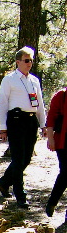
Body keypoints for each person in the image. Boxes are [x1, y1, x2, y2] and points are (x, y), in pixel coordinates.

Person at [0, 46, 47, 209]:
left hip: (31, 121)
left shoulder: (34, 80)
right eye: (26, 60)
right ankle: (20, 195)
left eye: (31, 60)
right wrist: (3, 127)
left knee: (26, 159)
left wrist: (43, 124)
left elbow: (39, 104)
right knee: (18, 159)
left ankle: (4, 183)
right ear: (18, 62)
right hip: (16, 120)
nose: (29, 63)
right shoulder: (9, 79)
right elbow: (3, 103)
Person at [45, 87, 67, 217]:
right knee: (65, 172)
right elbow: (51, 117)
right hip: (63, 141)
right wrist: (50, 138)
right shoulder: (61, 95)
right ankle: (52, 201)